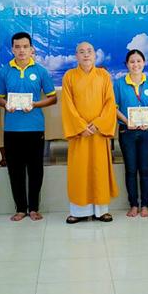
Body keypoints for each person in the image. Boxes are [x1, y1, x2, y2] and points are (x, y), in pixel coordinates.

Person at [0, 32, 57, 221]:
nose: (21, 50)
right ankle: (21, 208)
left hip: (35, 128)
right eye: (17, 47)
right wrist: (6, 104)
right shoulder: (4, 71)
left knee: (35, 169)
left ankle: (34, 208)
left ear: (32, 49)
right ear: (12, 49)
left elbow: (53, 98)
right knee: (15, 170)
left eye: (25, 47)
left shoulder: (41, 71)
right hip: (12, 129)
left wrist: (35, 104)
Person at [61, 42, 118, 224]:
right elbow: (67, 104)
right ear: (76, 56)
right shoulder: (69, 76)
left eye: (89, 51)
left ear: (95, 55)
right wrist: (80, 127)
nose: (86, 55)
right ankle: (78, 211)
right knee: (79, 171)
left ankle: (101, 211)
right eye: (82, 52)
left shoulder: (104, 75)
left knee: (99, 170)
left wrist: (98, 124)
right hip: (80, 134)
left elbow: (110, 103)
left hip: (98, 133)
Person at [114, 49, 148, 218]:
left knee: (145, 168)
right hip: (127, 131)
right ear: (126, 64)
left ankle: (145, 204)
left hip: (146, 131)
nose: (135, 64)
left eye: (139, 61)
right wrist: (127, 121)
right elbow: (114, 108)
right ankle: (133, 204)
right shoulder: (119, 84)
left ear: (144, 63)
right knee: (131, 169)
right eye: (132, 61)